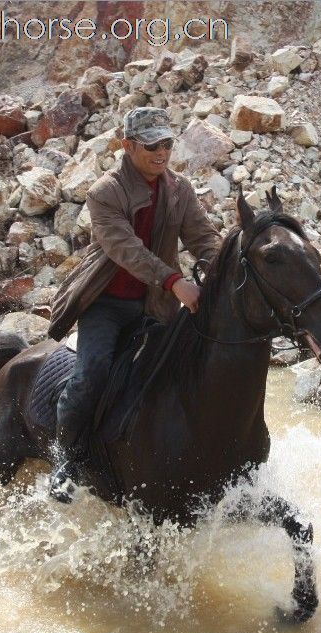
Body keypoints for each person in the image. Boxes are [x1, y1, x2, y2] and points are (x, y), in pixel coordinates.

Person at [47, 106, 223, 502]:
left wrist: (220, 267)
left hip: (155, 306)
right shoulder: (104, 192)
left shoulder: (180, 189)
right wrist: (176, 281)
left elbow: (203, 238)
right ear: (127, 146)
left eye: (166, 144)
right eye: (151, 146)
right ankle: (65, 459)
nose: (161, 153)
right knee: (92, 372)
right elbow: (126, 249)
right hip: (107, 304)